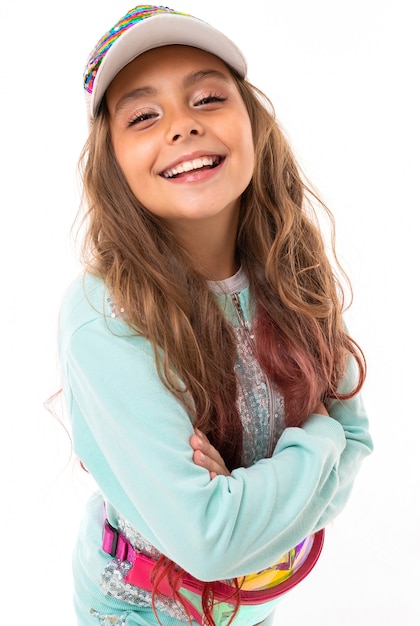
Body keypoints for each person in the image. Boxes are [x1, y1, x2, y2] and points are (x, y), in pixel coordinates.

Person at [57, 5, 373, 626]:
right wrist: (319, 438)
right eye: (144, 116)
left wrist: (244, 497)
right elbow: (210, 543)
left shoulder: (291, 269)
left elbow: (359, 444)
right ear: (114, 164)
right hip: (141, 610)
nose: (181, 127)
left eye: (207, 98)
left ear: (250, 123)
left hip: (252, 604)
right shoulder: (105, 317)